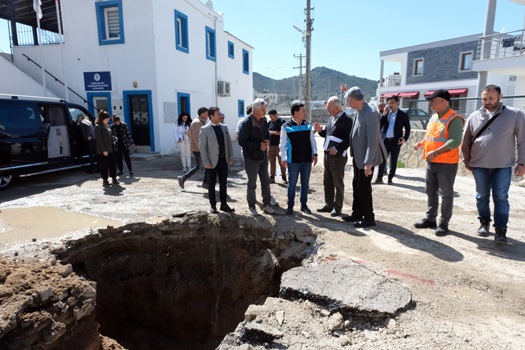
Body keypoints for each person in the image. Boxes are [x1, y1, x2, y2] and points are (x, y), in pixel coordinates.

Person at [461, 84, 525, 244]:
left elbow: (523, 142)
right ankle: (484, 223)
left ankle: (501, 230)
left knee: (501, 197)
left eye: (491, 98)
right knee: (481, 196)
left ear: (500, 96)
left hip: (503, 165)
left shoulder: (515, 115)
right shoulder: (474, 116)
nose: (487, 101)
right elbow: (466, 141)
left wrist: (522, 163)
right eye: (484, 99)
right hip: (479, 165)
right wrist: (467, 161)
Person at [413, 89, 464, 236]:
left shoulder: (454, 119)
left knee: (446, 194)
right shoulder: (434, 117)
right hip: (432, 162)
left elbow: (455, 141)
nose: (430, 104)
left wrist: (435, 152)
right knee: (430, 191)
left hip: (446, 163)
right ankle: (430, 219)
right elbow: (432, 136)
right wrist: (422, 143)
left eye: (433, 101)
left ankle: (443, 223)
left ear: (443, 101)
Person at [341, 87, 385, 228]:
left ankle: (368, 217)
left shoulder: (370, 113)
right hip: (358, 157)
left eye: (348, 100)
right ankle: (357, 213)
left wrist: (368, 163)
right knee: (357, 184)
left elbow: (372, 142)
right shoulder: (359, 112)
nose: (348, 103)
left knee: (364, 188)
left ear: (353, 100)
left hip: (366, 159)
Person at [313, 96, 352, 216]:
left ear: (336, 107)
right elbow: (328, 134)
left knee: (337, 182)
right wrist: (320, 131)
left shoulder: (347, 120)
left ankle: (338, 206)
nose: (327, 109)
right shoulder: (331, 118)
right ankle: (329, 204)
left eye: (328, 107)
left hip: (338, 157)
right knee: (327, 181)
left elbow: (349, 139)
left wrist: (338, 149)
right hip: (327, 156)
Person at [237, 98, 275, 215]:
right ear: (256, 110)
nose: (265, 111)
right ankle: (252, 206)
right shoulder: (246, 123)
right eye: (263, 109)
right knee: (252, 183)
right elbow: (242, 142)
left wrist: (268, 141)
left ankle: (267, 204)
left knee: (265, 182)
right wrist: (258, 146)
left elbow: (267, 134)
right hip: (251, 158)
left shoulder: (264, 121)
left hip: (263, 157)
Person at [280, 103, 317, 215]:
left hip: (306, 160)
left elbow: (312, 141)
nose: (305, 113)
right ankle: (290, 206)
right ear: (296, 113)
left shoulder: (308, 125)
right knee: (292, 183)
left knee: (305, 184)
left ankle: (303, 205)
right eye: (303, 111)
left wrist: (315, 154)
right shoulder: (286, 126)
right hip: (293, 161)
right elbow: (282, 144)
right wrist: (283, 157)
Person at [200, 107, 235, 214]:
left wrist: (230, 156)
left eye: (220, 113)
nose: (220, 115)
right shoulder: (205, 129)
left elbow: (229, 143)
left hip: (223, 161)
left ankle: (223, 204)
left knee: (223, 184)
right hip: (211, 162)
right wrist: (206, 162)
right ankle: (213, 205)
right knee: (211, 185)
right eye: (218, 114)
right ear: (211, 116)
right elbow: (202, 147)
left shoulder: (224, 128)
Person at [375, 95, 411, 185]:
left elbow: (408, 128)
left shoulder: (402, 115)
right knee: (382, 159)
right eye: (389, 103)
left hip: (396, 141)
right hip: (386, 140)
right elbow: (380, 124)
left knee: (393, 161)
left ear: (397, 103)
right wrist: (384, 114)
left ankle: (390, 179)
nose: (390, 105)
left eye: (392, 103)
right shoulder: (386, 113)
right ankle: (379, 178)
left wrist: (404, 138)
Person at [177, 107, 208, 189]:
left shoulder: (202, 121)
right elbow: (196, 138)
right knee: (200, 166)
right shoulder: (197, 123)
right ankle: (183, 178)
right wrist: (202, 150)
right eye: (207, 113)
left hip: (200, 148)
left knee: (204, 166)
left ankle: (205, 183)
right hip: (198, 149)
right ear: (202, 114)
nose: (208, 115)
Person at [94, 110, 118, 187]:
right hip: (103, 150)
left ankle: (114, 178)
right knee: (104, 166)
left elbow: (110, 135)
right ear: (102, 119)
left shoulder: (107, 126)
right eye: (106, 119)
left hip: (111, 148)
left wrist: (114, 138)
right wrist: (104, 150)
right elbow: (99, 140)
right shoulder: (98, 127)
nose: (108, 121)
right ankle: (105, 180)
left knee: (113, 164)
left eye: (108, 119)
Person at [267, 109, 287, 184]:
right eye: (270, 116)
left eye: (271, 116)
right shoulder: (269, 123)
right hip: (271, 145)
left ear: (276, 115)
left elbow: (282, 133)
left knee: (281, 162)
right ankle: (272, 177)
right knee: (272, 162)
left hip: (279, 146)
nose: (271, 118)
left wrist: (272, 132)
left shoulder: (282, 122)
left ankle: (284, 176)